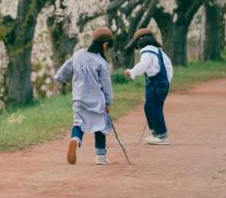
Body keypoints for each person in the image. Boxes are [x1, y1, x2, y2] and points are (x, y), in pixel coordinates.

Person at [55, 27, 114, 165]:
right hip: (96, 101)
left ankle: (75, 140)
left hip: (79, 99)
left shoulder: (78, 54)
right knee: (100, 126)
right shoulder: (101, 63)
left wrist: (63, 79)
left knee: (78, 124)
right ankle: (100, 157)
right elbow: (106, 86)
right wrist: (108, 103)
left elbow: (63, 72)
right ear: (105, 44)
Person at [124, 28, 173, 145]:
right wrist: (166, 82)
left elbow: (143, 65)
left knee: (153, 108)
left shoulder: (146, 50)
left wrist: (132, 72)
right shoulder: (159, 51)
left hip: (154, 83)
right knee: (152, 107)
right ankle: (156, 133)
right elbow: (169, 67)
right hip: (162, 83)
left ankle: (162, 135)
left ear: (141, 40)